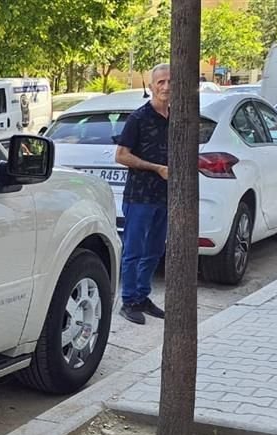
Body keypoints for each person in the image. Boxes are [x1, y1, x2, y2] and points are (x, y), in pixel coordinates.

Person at [115, 63, 171, 325]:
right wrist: (155, 168)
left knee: (155, 250)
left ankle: (142, 296)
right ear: (151, 87)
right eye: (160, 82)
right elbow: (121, 155)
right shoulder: (138, 118)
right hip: (139, 196)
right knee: (134, 250)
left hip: (165, 196)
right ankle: (128, 301)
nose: (166, 87)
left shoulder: (177, 118)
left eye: (170, 81)